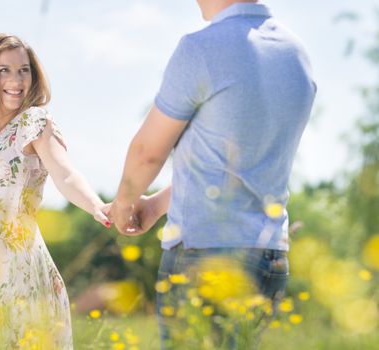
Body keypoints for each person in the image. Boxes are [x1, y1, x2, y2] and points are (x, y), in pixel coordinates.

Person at [108, 0, 316, 348]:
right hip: (269, 258)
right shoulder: (296, 53)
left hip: (204, 255)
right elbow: (236, 162)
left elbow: (148, 152)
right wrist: (156, 205)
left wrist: (123, 204)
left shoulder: (201, 48)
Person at [0, 33, 110, 349]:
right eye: (4, 70)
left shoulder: (33, 122)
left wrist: (96, 206)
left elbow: (65, 173)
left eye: (24, 70)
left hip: (14, 276)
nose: (17, 80)